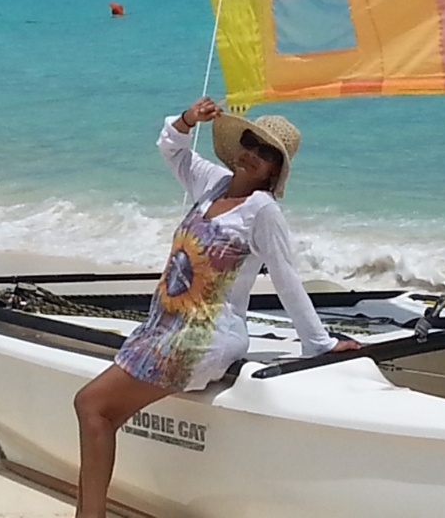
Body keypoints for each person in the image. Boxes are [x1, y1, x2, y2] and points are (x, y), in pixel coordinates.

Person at [72, 97, 361, 517]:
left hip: (203, 337)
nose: (253, 154)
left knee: (91, 405)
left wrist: (319, 343)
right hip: (162, 329)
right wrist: (189, 119)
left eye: (266, 153)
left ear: (274, 171)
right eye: (250, 142)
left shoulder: (262, 211)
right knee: (100, 415)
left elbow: (286, 277)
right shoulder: (212, 183)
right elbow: (171, 148)